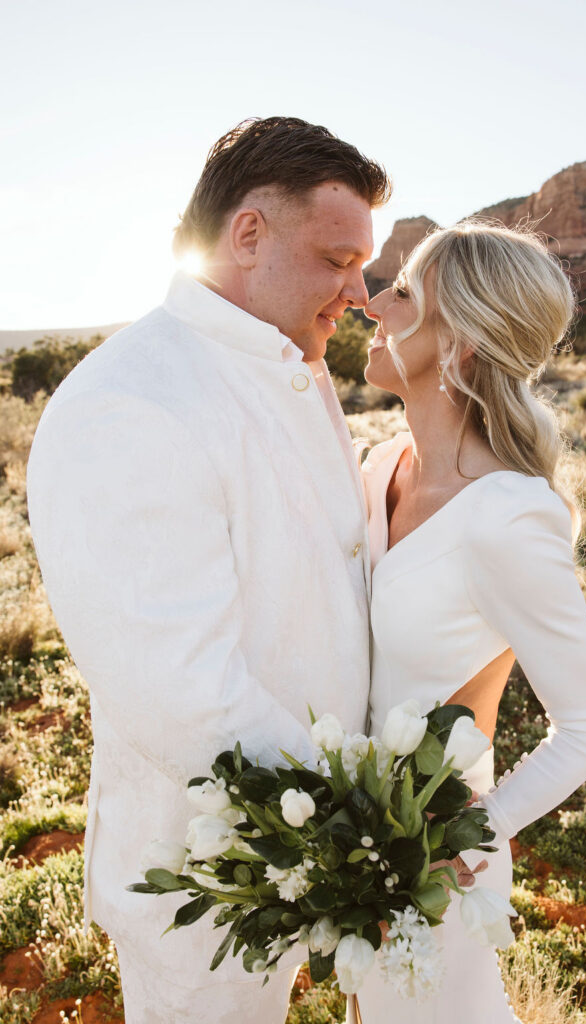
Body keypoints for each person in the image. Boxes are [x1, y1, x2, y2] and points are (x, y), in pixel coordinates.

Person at [26, 116, 391, 1024]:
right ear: (249, 233)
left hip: (296, 848)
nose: (359, 291)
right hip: (202, 880)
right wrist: (362, 822)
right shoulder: (132, 401)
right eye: (336, 260)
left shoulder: (291, 368)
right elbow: (180, 691)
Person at [356, 221, 586, 1022]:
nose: (373, 306)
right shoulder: (376, 468)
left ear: (461, 341)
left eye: (402, 293)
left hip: (438, 863)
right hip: (349, 844)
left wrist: (471, 831)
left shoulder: (507, 517)